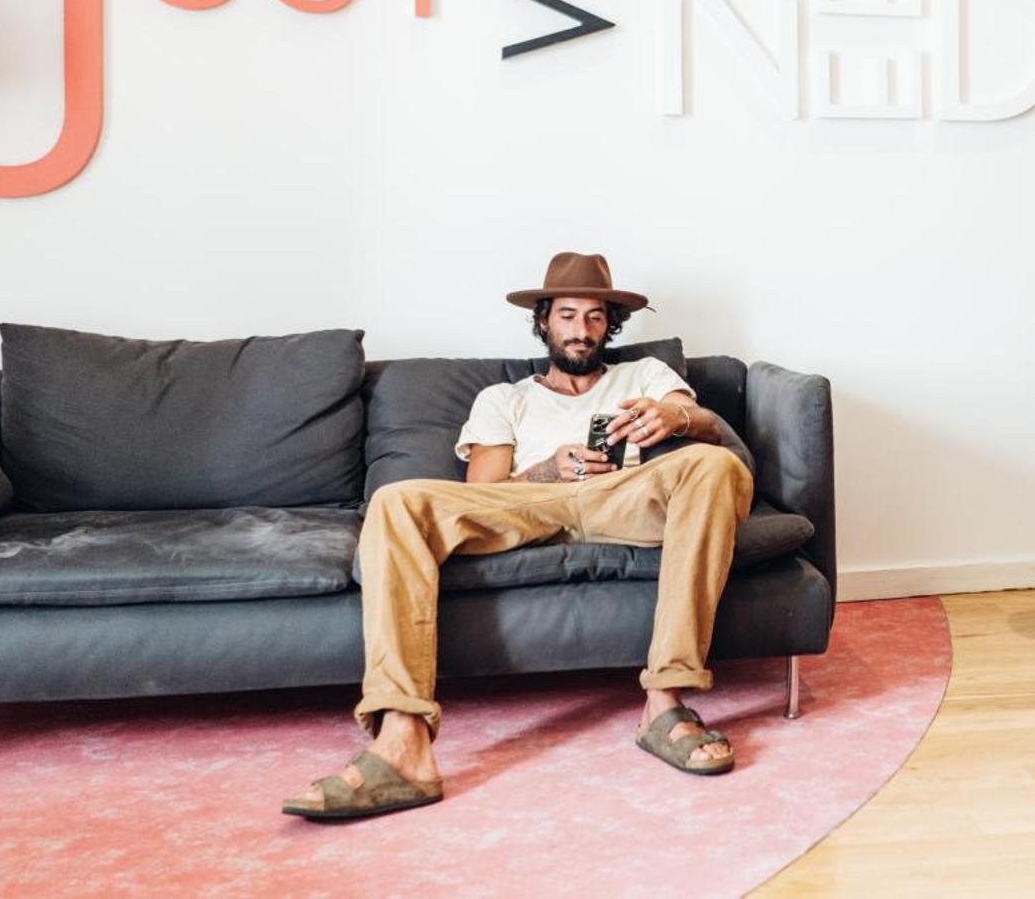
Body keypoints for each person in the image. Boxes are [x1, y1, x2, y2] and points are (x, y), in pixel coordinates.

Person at [284, 251, 754, 821]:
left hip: (624, 495)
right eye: (568, 315)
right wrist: (548, 469)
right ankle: (402, 743)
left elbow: (697, 418)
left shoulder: (645, 375)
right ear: (543, 321)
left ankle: (664, 703)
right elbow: (484, 489)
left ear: (610, 325)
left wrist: (676, 418)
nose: (581, 329)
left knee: (715, 464)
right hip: (531, 501)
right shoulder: (504, 398)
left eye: (595, 317)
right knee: (396, 500)